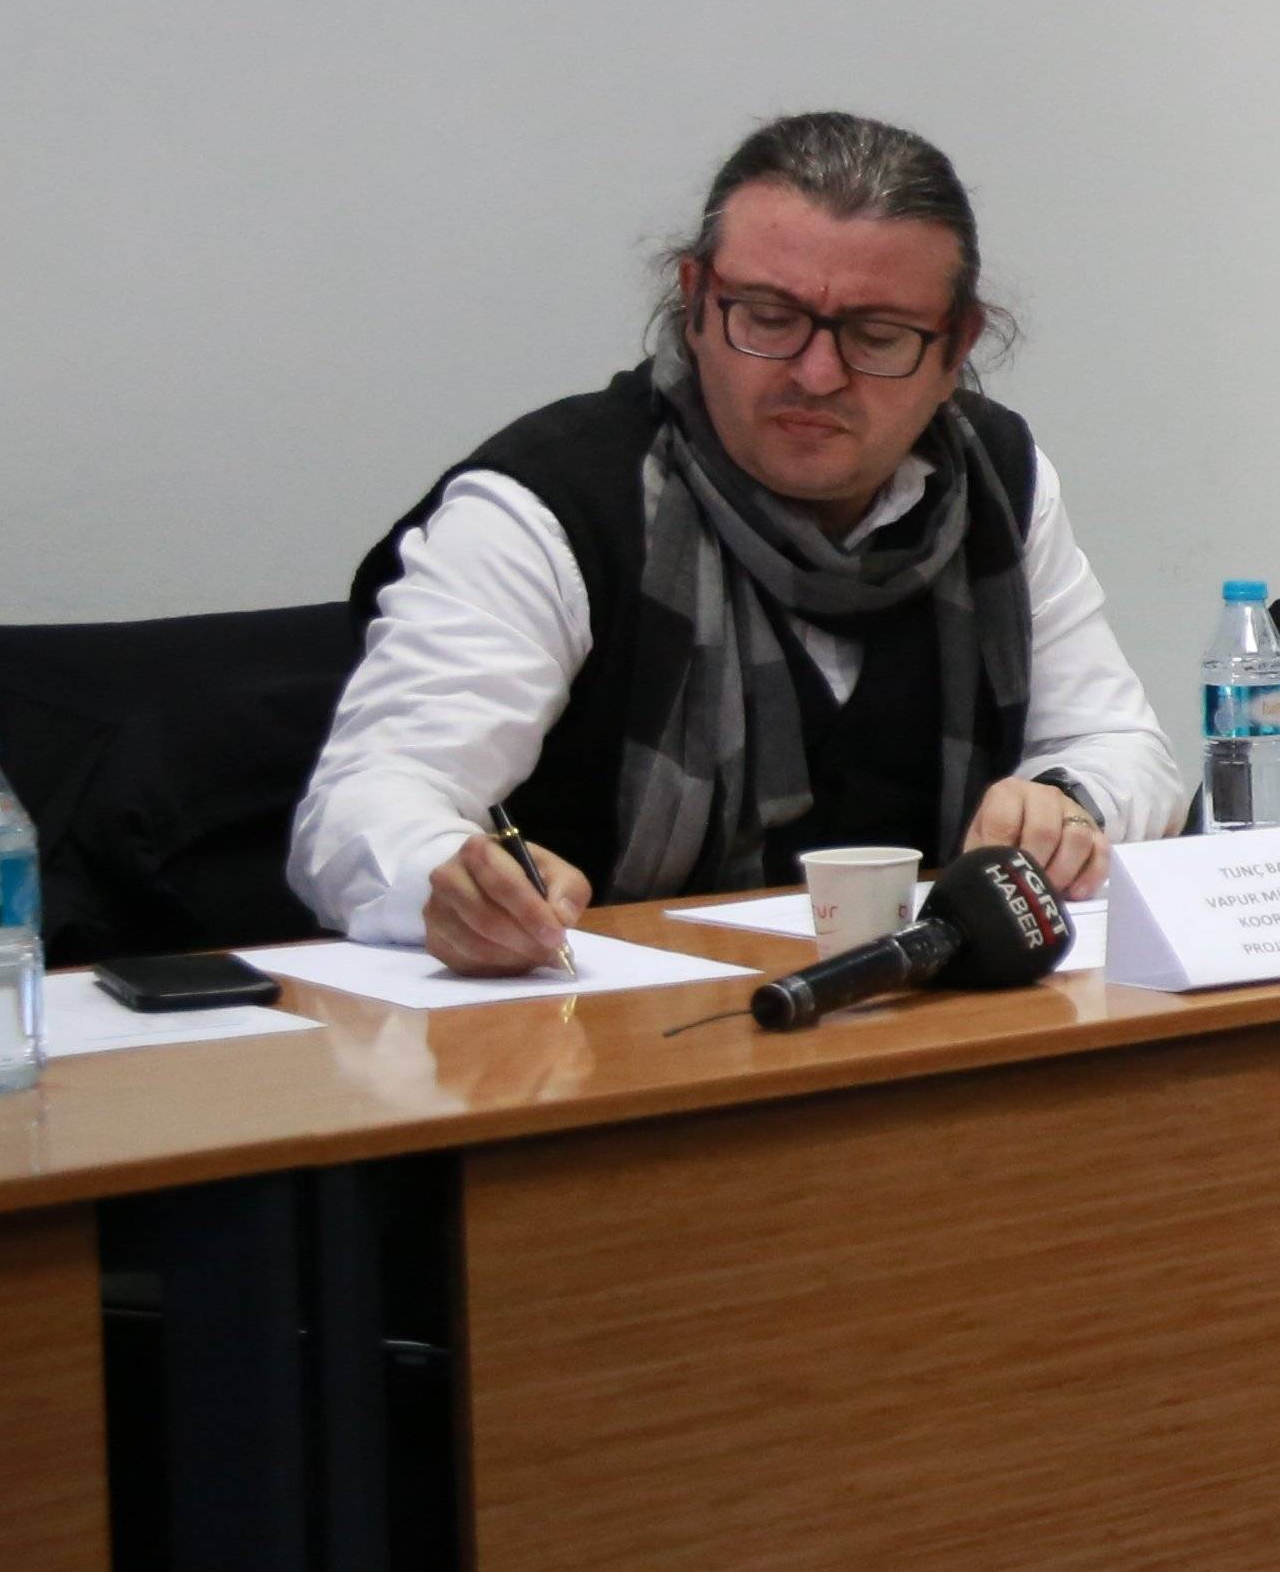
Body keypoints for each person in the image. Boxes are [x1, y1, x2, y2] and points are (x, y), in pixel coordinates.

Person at [295, 113, 1190, 960]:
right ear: (694, 302)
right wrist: (450, 882)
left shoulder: (996, 484)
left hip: (929, 1016)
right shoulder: (549, 508)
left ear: (956, 346)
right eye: (768, 318)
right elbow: (362, 809)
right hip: (603, 1029)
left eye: (878, 336)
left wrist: (1067, 810)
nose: (817, 374)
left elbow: (1124, 751)